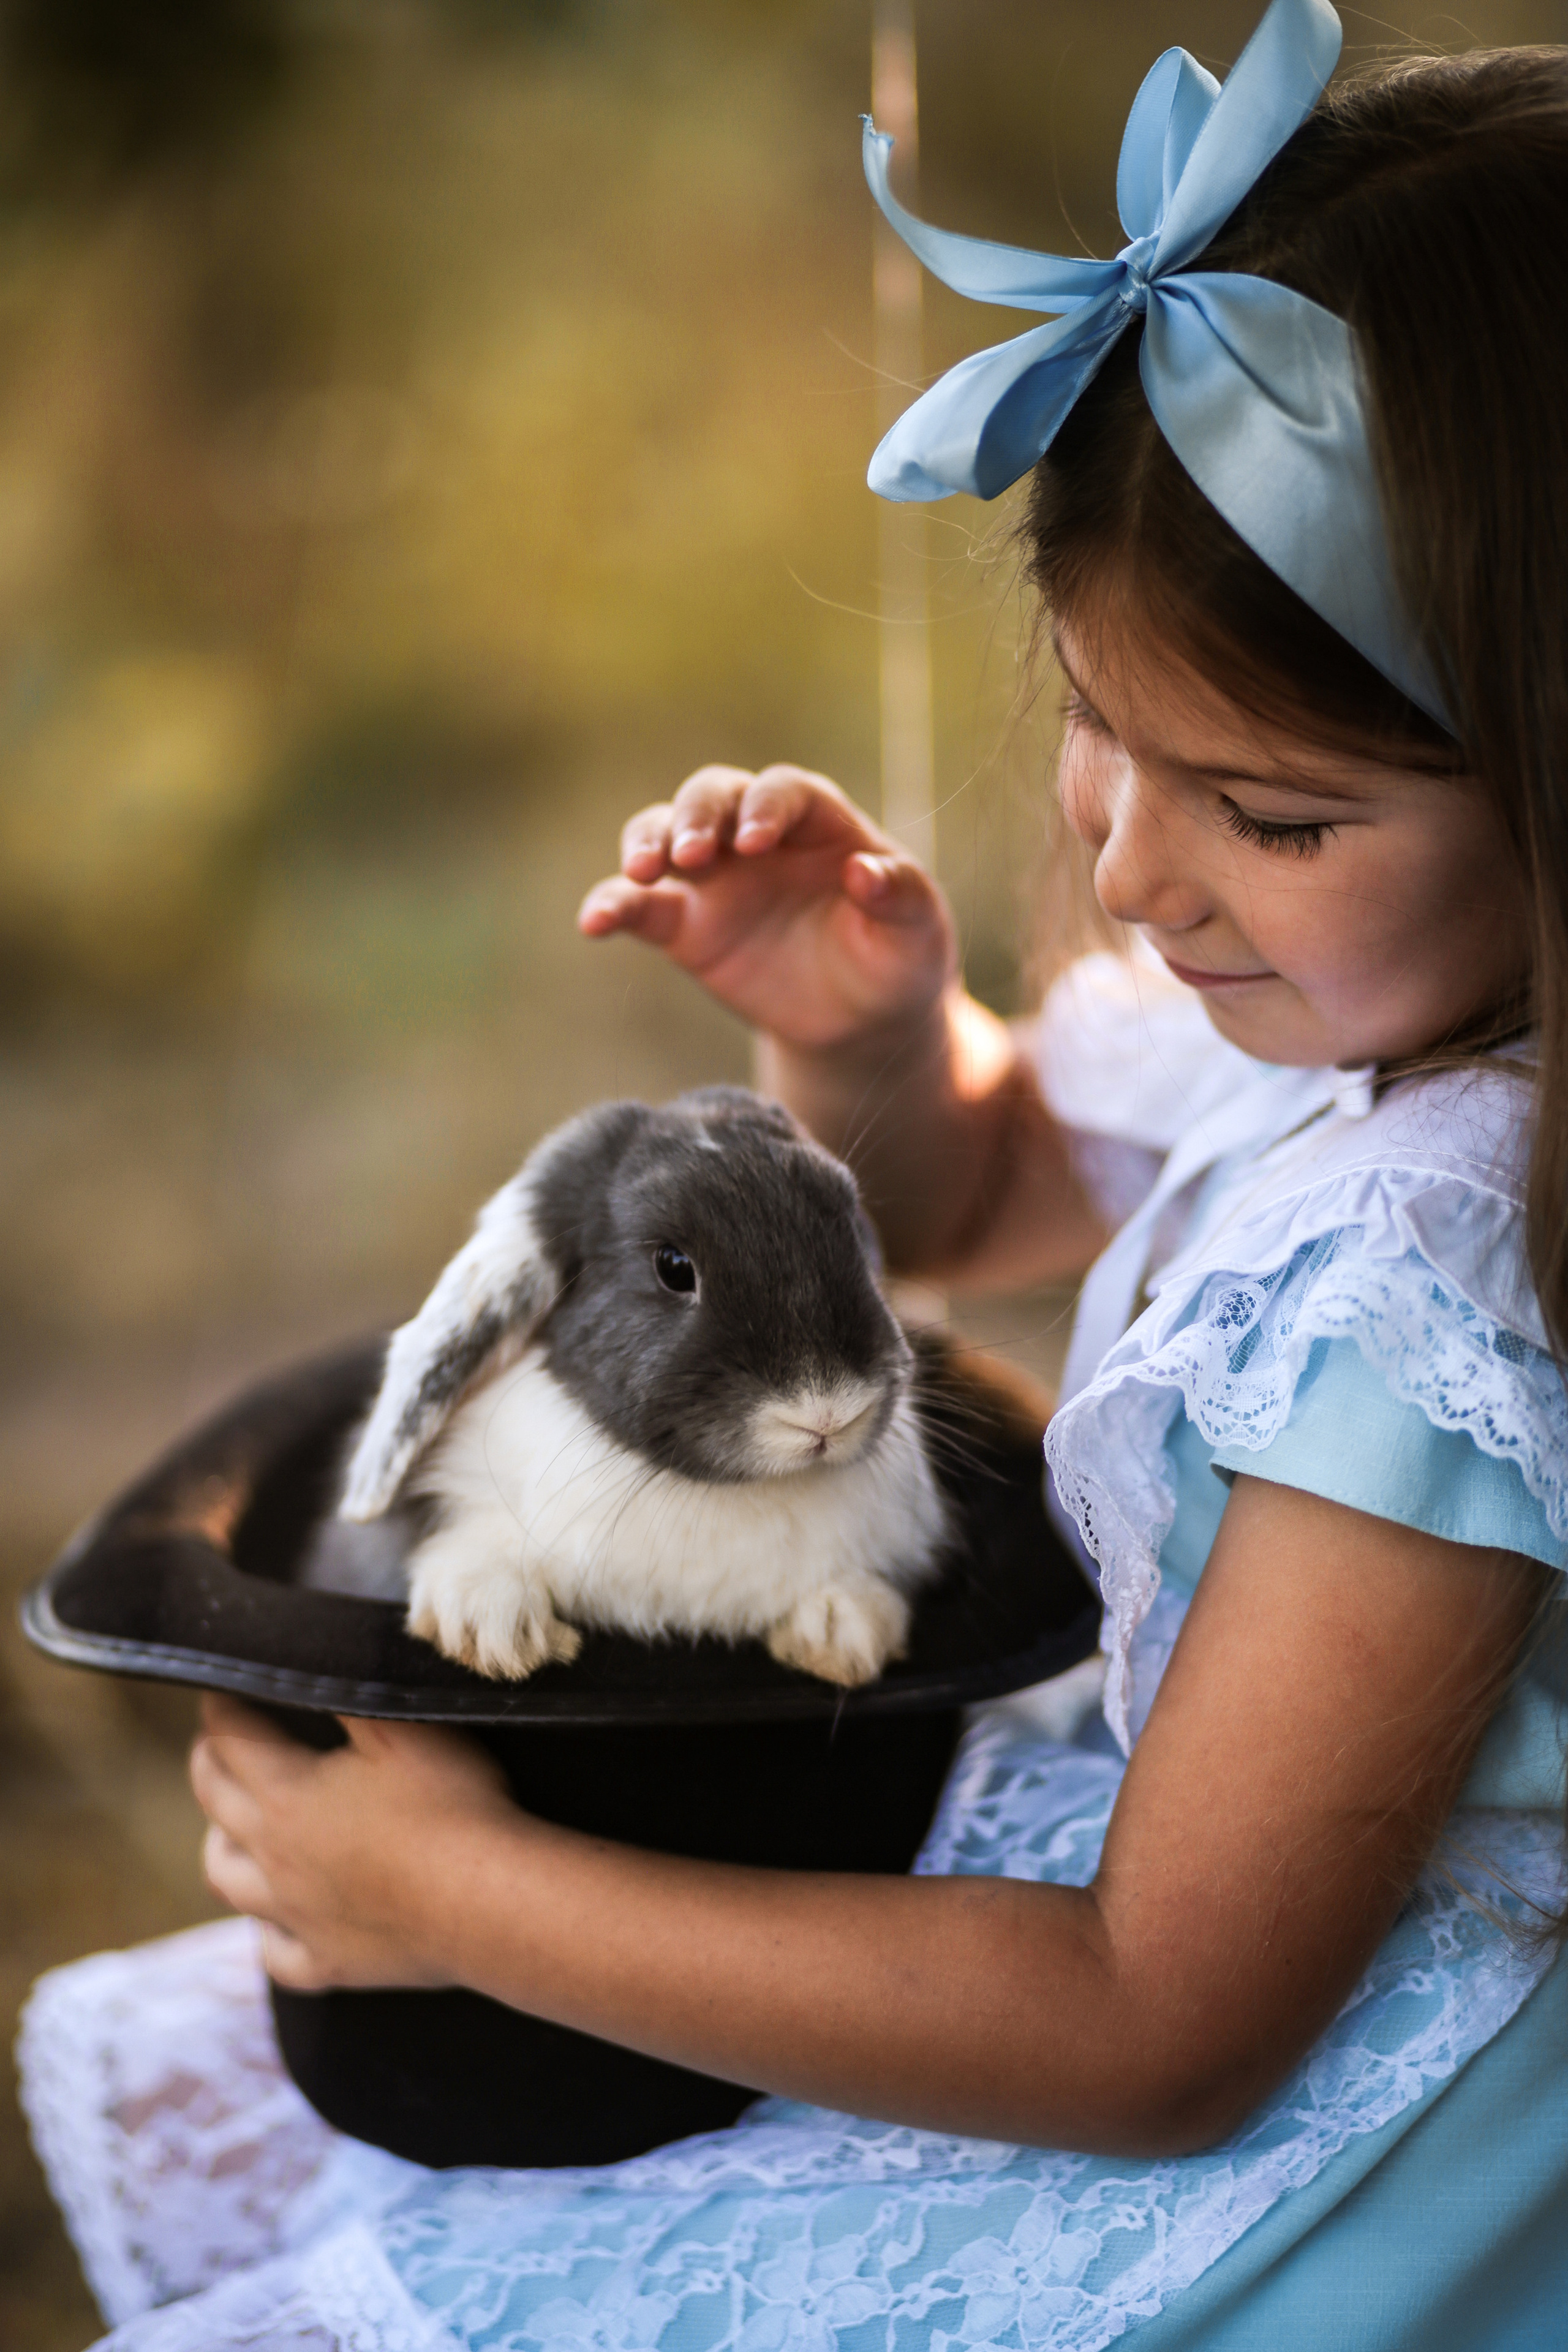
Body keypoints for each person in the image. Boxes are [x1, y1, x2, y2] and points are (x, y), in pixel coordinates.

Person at [18, 2, 1568, 2344]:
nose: (1144, 874)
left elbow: (1160, 2025)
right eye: (1100, 731)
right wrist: (860, 1037)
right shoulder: (1343, 1010)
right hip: (1107, 1929)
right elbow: (963, 1208)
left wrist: (460, 1901)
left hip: (1274, 2172)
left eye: (1275, 814)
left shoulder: (1453, 1286)